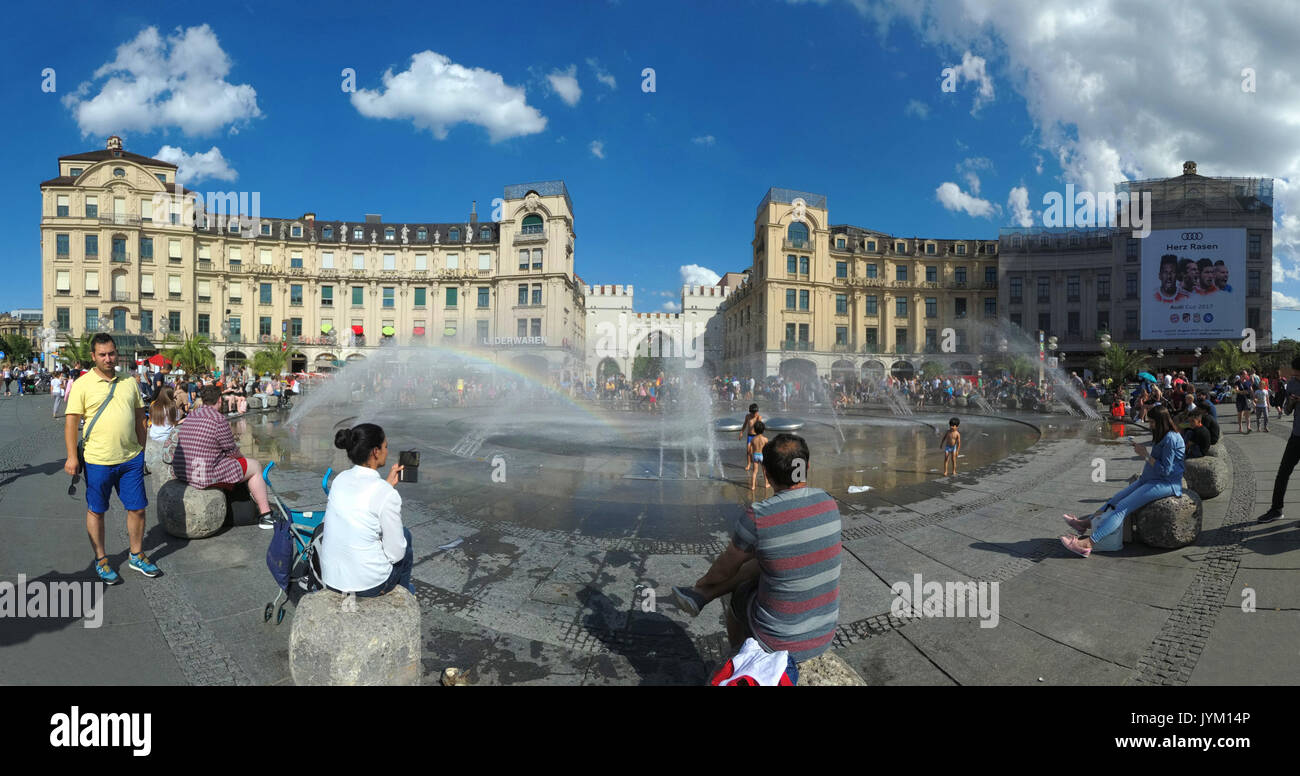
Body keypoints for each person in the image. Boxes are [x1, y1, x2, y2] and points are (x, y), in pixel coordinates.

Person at [672, 433, 841, 664]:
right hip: (824, 635)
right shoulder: (828, 502)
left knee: (739, 596)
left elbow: (723, 569)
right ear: (807, 466)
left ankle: (736, 654)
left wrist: (703, 582)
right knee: (768, 562)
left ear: (766, 473)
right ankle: (702, 597)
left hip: (777, 640)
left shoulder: (759, 516)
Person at [62, 333, 159, 583]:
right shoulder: (83, 384)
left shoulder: (129, 381)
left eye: (111, 353)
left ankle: (136, 555)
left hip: (130, 459)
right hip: (97, 460)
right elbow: (71, 422)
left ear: (117, 353)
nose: (108, 358)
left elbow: (140, 418)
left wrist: (142, 451)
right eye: (102, 354)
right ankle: (101, 559)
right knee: (97, 510)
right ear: (93, 356)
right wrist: (72, 457)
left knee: (137, 508)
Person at [1061, 406, 1185, 557]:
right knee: (1114, 500)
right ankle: (1084, 524)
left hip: (1166, 484)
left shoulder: (1171, 438)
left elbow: (1166, 471)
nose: (1150, 425)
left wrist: (1145, 455)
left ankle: (1088, 544)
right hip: (1150, 479)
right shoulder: (1165, 435)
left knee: (1121, 508)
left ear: (1160, 422)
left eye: (1152, 422)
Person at [318, 423, 414, 597]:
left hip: (331, 578)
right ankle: (405, 596)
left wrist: (386, 486)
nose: (387, 451)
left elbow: (361, 503)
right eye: (385, 447)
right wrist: (387, 490)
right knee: (405, 538)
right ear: (375, 452)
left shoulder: (340, 479)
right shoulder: (385, 494)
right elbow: (396, 554)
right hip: (366, 585)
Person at [172, 384, 274, 528]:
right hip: (202, 474)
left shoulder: (192, 415)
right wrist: (243, 461)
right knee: (255, 466)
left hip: (182, 470)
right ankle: (266, 515)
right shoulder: (218, 419)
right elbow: (232, 451)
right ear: (219, 400)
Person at [1259, 357, 1300, 524]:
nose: (1296, 377)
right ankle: (1276, 509)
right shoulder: (1292, 383)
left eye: (1299, 375)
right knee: (1283, 472)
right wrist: (1291, 402)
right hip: (1296, 435)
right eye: (1295, 374)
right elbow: (1287, 410)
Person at [747, 421, 769, 493]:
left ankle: (753, 486)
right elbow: (768, 449)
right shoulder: (765, 439)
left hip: (755, 455)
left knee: (755, 472)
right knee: (764, 471)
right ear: (763, 430)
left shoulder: (753, 439)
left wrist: (750, 455)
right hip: (762, 455)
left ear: (755, 430)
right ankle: (766, 484)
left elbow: (749, 449)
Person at [740, 403, 763, 473]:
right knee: (748, 450)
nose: (755, 414)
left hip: (756, 436)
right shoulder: (747, 416)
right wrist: (741, 432)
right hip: (750, 436)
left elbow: (760, 427)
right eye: (753, 413)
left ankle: (756, 464)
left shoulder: (759, 417)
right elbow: (745, 424)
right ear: (750, 412)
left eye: (756, 412)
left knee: (756, 451)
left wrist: (761, 437)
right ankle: (749, 464)